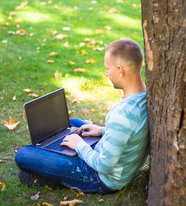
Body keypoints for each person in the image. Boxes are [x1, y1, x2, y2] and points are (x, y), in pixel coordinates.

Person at [15, 38, 149, 194]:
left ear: (120, 70)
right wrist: (103, 131)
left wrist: (79, 146)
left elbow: (103, 165)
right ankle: (53, 153)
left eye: (107, 69)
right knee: (72, 124)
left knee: (23, 155)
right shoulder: (142, 96)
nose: (106, 74)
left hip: (99, 177)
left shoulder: (123, 115)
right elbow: (129, 132)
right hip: (118, 160)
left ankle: (51, 173)